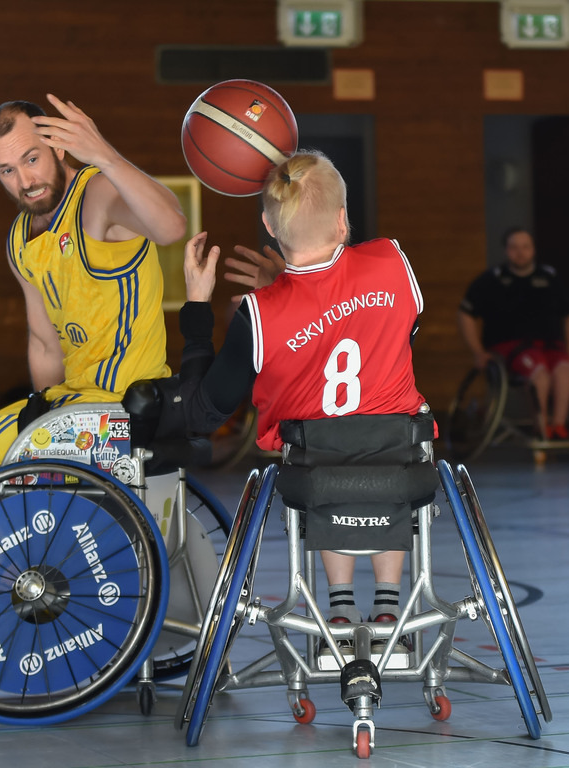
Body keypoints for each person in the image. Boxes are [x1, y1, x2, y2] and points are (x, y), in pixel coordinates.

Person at [178, 148, 430, 639]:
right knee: (379, 454)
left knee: (329, 462)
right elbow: (398, 334)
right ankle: (387, 602)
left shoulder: (258, 314)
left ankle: (337, 604)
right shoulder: (391, 261)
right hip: (401, 461)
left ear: (271, 228)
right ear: (342, 221)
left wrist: (196, 307)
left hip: (313, 475)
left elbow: (203, 411)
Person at [0, 94, 186, 484]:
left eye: (31, 159)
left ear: (58, 146)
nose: (25, 182)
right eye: (6, 170)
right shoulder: (20, 242)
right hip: (72, 409)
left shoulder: (97, 196)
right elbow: (45, 345)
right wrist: (41, 412)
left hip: (119, 409)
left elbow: (172, 227)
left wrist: (105, 156)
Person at [457, 227, 569, 440]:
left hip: (550, 345)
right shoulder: (491, 280)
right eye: (514, 247)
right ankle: (541, 429)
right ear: (506, 250)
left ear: (533, 250)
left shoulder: (550, 277)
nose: (520, 252)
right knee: (539, 373)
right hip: (511, 348)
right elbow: (465, 314)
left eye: (525, 247)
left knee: (565, 369)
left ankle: (558, 427)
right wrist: (478, 351)